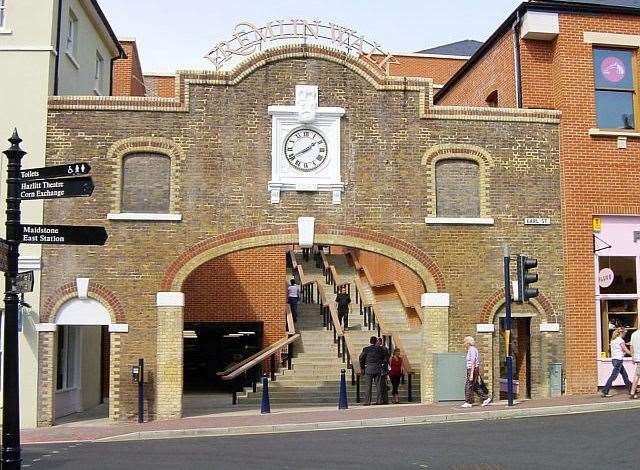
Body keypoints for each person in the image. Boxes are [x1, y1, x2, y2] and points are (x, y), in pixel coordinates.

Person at [601, 327, 632, 397]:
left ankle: (631, 389)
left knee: (625, 376)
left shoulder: (613, 340)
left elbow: (618, 348)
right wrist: (634, 354)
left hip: (614, 360)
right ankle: (605, 391)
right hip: (618, 360)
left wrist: (626, 344)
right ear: (622, 333)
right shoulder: (621, 340)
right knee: (613, 376)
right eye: (625, 333)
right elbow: (626, 350)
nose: (625, 334)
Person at [359, 336, 389, 406]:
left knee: (368, 386)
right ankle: (379, 401)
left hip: (368, 368)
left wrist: (362, 367)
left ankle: (367, 402)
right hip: (378, 368)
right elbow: (386, 357)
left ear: (370, 341)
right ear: (376, 341)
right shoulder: (381, 349)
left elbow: (361, 358)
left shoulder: (366, 349)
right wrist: (382, 364)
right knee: (378, 386)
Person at [462, 336, 491, 408]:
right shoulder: (471, 349)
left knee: (468, 386)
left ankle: (468, 402)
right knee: (475, 386)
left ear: (468, 342)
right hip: (473, 369)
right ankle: (485, 398)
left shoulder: (472, 350)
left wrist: (471, 373)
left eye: (465, 342)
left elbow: (473, 362)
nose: (464, 343)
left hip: (473, 369)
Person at [377, 337, 390, 404]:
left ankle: (382, 400)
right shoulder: (385, 349)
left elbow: (386, 359)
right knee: (382, 386)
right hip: (382, 369)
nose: (377, 343)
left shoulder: (383, 349)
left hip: (382, 370)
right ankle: (384, 400)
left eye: (378, 342)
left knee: (382, 386)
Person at [630, 328, 640, 399]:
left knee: (637, 375)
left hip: (637, 357)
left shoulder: (634, 334)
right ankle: (632, 393)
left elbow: (631, 346)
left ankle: (632, 393)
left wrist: (633, 357)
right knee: (637, 375)